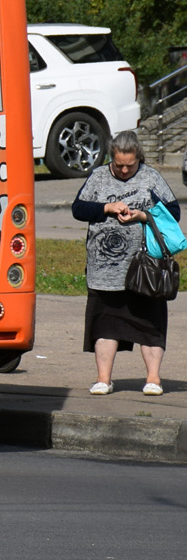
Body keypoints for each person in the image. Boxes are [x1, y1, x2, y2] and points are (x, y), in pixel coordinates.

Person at [71, 130, 180, 396]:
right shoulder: (97, 177)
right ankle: (103, 379)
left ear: (138, 159)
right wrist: (107, 208)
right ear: (112, 157)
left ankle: (153, 379)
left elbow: (173, 211)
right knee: (105, 324)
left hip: (145, 269)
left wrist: (143, 214)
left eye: (129, 165)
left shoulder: (151, 177)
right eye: (118, 164)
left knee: (150, 324)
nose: (123, 169)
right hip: (104, 271)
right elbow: (78, 209)